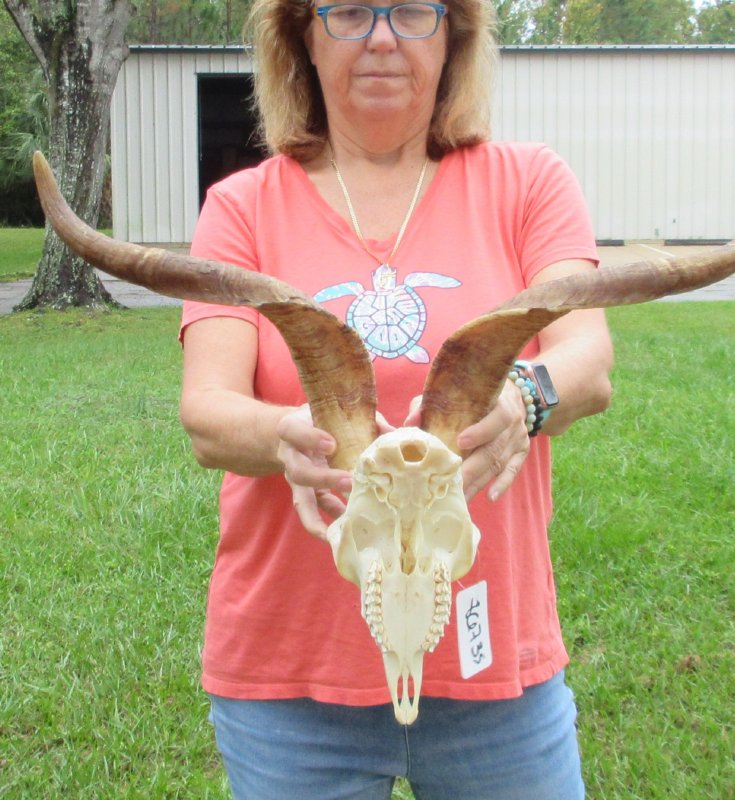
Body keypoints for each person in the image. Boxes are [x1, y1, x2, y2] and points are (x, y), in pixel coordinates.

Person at [178, 0, 613, 797]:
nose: (381, 37)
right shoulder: (242, 207)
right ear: (304, 38)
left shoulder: (527, 183)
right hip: (290, 683)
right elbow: (207, 411)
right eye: (349, 11)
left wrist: (522, 399)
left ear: (453, 36)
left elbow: (587, 359)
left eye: (412, 11)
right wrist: (285, 435)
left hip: (494, 675)